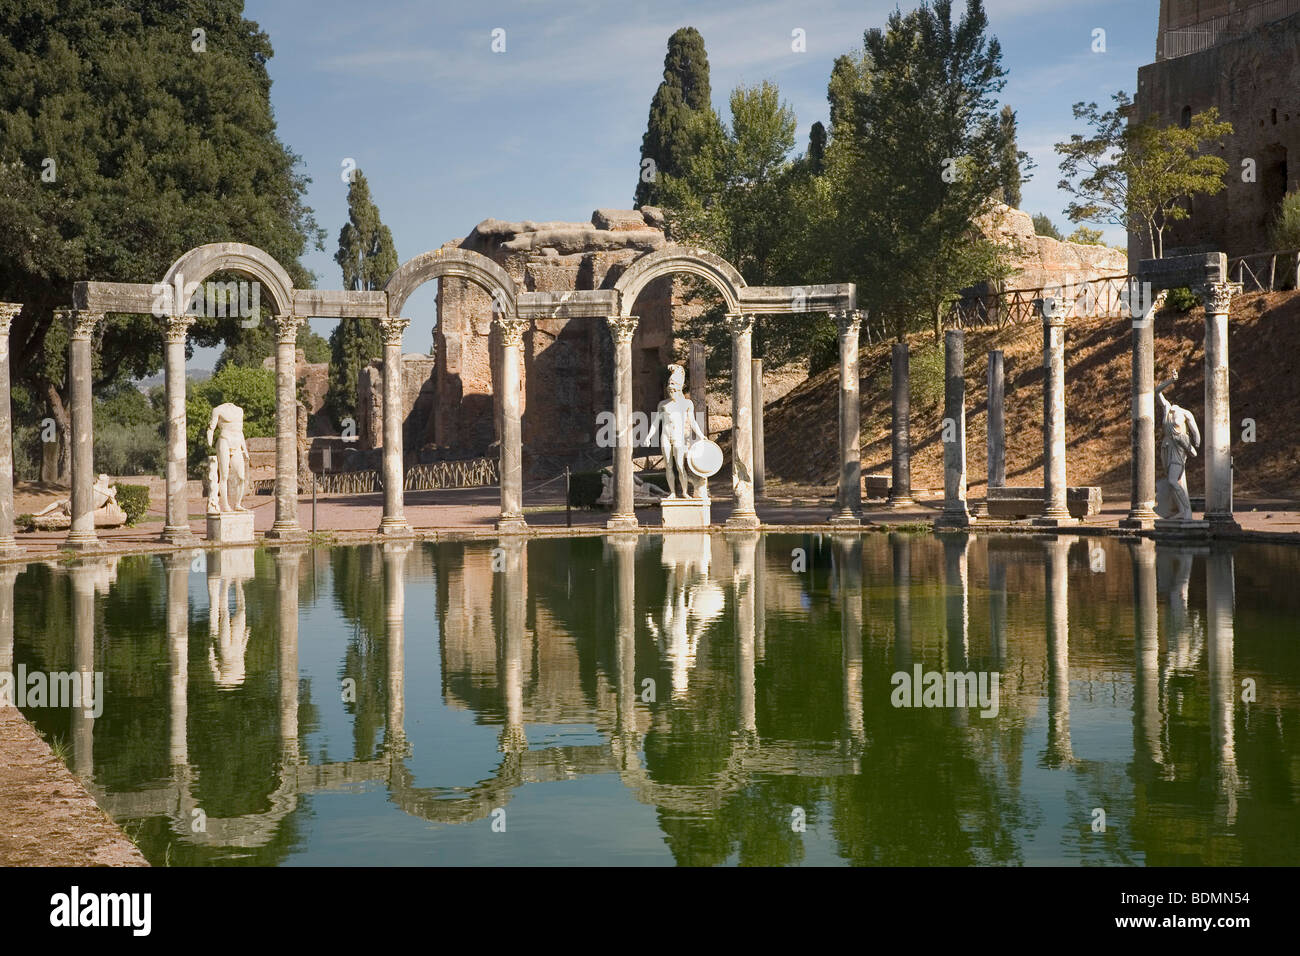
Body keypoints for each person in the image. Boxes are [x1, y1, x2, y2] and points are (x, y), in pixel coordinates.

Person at [655, 364, 707, 499]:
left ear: (679, 386)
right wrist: (649, 435)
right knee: (668, 466)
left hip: (678, 437)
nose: (670, 386)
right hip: (665, 436)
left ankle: (684, 492)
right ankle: (672, 492)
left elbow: (693, 422)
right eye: (669, 383)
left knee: (679, 465)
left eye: (673, 383)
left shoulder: (687, 403)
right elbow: (656, 422)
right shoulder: (663, 404)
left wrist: (701, 435)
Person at [1156, 372, 1200, 520]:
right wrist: (1170, 380)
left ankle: (1185, 510)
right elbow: (1157, 391)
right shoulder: (1167, 408)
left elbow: (1194, 429)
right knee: (1175, 480)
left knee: (1172, 481)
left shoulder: (1185, 413)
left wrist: (1196, 440)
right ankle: (1180, 510)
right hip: (1167, 447)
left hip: (1179, 447)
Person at [206, 403, 251, 512]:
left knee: (241, 477)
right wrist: (209, 444)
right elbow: (211, 428)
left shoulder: (240, 410)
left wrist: (244, 449)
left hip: (237, 443)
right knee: (224, 475)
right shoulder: (218, 410)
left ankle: (238, 504)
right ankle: (225, 505)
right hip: (224, 440)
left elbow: (240, 431)